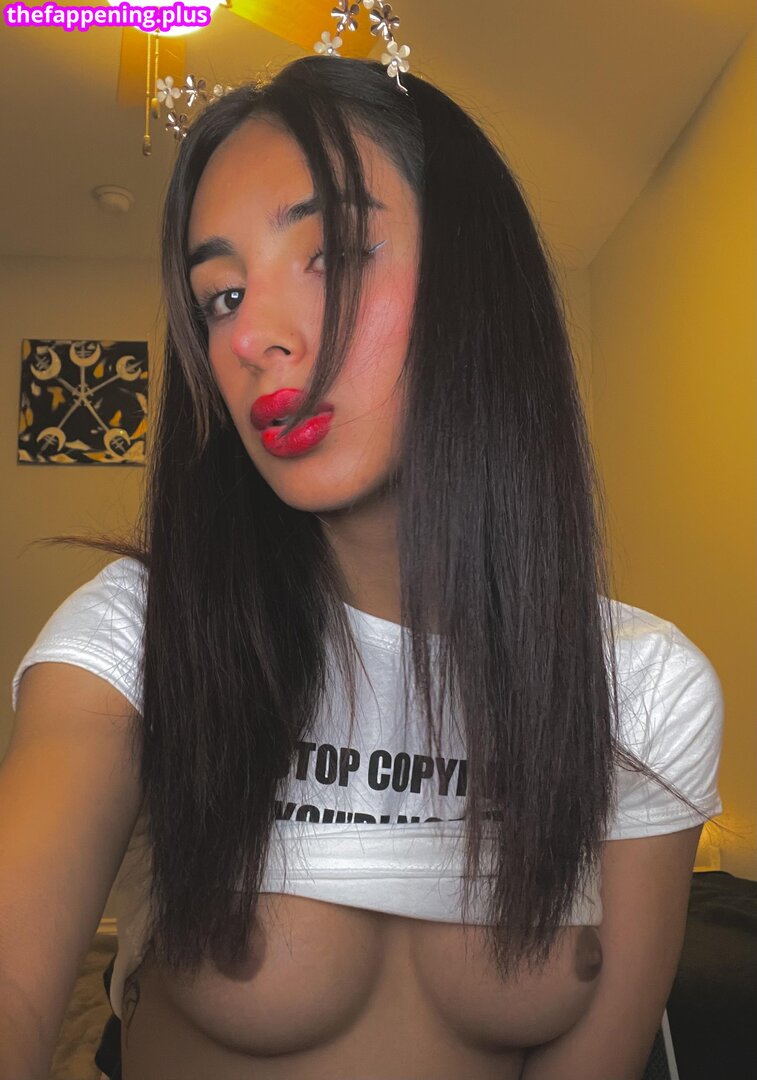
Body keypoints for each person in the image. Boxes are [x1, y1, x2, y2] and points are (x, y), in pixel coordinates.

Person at [3, 55, 723, 1080]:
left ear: (476, 281)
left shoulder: (643, 689)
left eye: (332, 254)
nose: (252, 338)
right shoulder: (140, 635)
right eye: (220, 296)